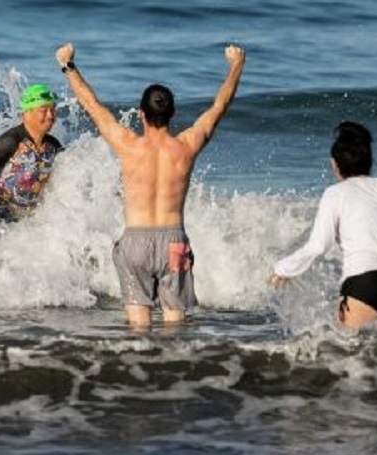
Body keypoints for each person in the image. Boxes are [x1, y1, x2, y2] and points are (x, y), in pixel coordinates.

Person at [55, 42, 246, 330]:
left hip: (134, 243)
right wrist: (236, 66)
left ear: (141, 114)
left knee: (138, 328)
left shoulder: (127, 145)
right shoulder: (187, 145)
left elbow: (91, 105)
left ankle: (140, 369)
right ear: (172, 114)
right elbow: (220, 106)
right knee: (174, 326)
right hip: (175, 243)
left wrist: (68, 65)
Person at [269, 122, 377, 329]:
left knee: (351, 353)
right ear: (370, 161)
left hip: (366, 284)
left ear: (334, 164)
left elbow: (319, 245)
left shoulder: (335, 194)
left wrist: (283, 269)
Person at [0, 84, 63, 221]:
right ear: (26, 114)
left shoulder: (53, 146)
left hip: (30, 223)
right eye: (43, 110)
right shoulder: (9, 142)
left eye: (53, 110)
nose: (50, 115)